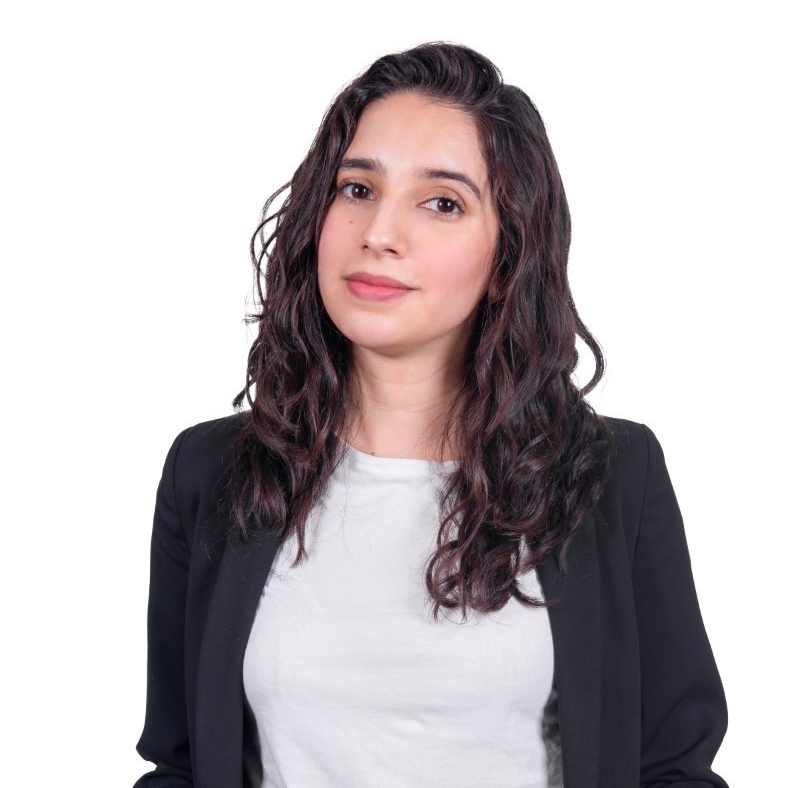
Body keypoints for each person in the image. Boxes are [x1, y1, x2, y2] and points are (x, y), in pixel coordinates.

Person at [134, 42, 728, 787]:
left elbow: (672, 765)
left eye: (442, 202)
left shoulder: (612, 478)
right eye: (356, 188)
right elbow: (182, 762)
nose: (380, 233)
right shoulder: (210, 474)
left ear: (507, 255)